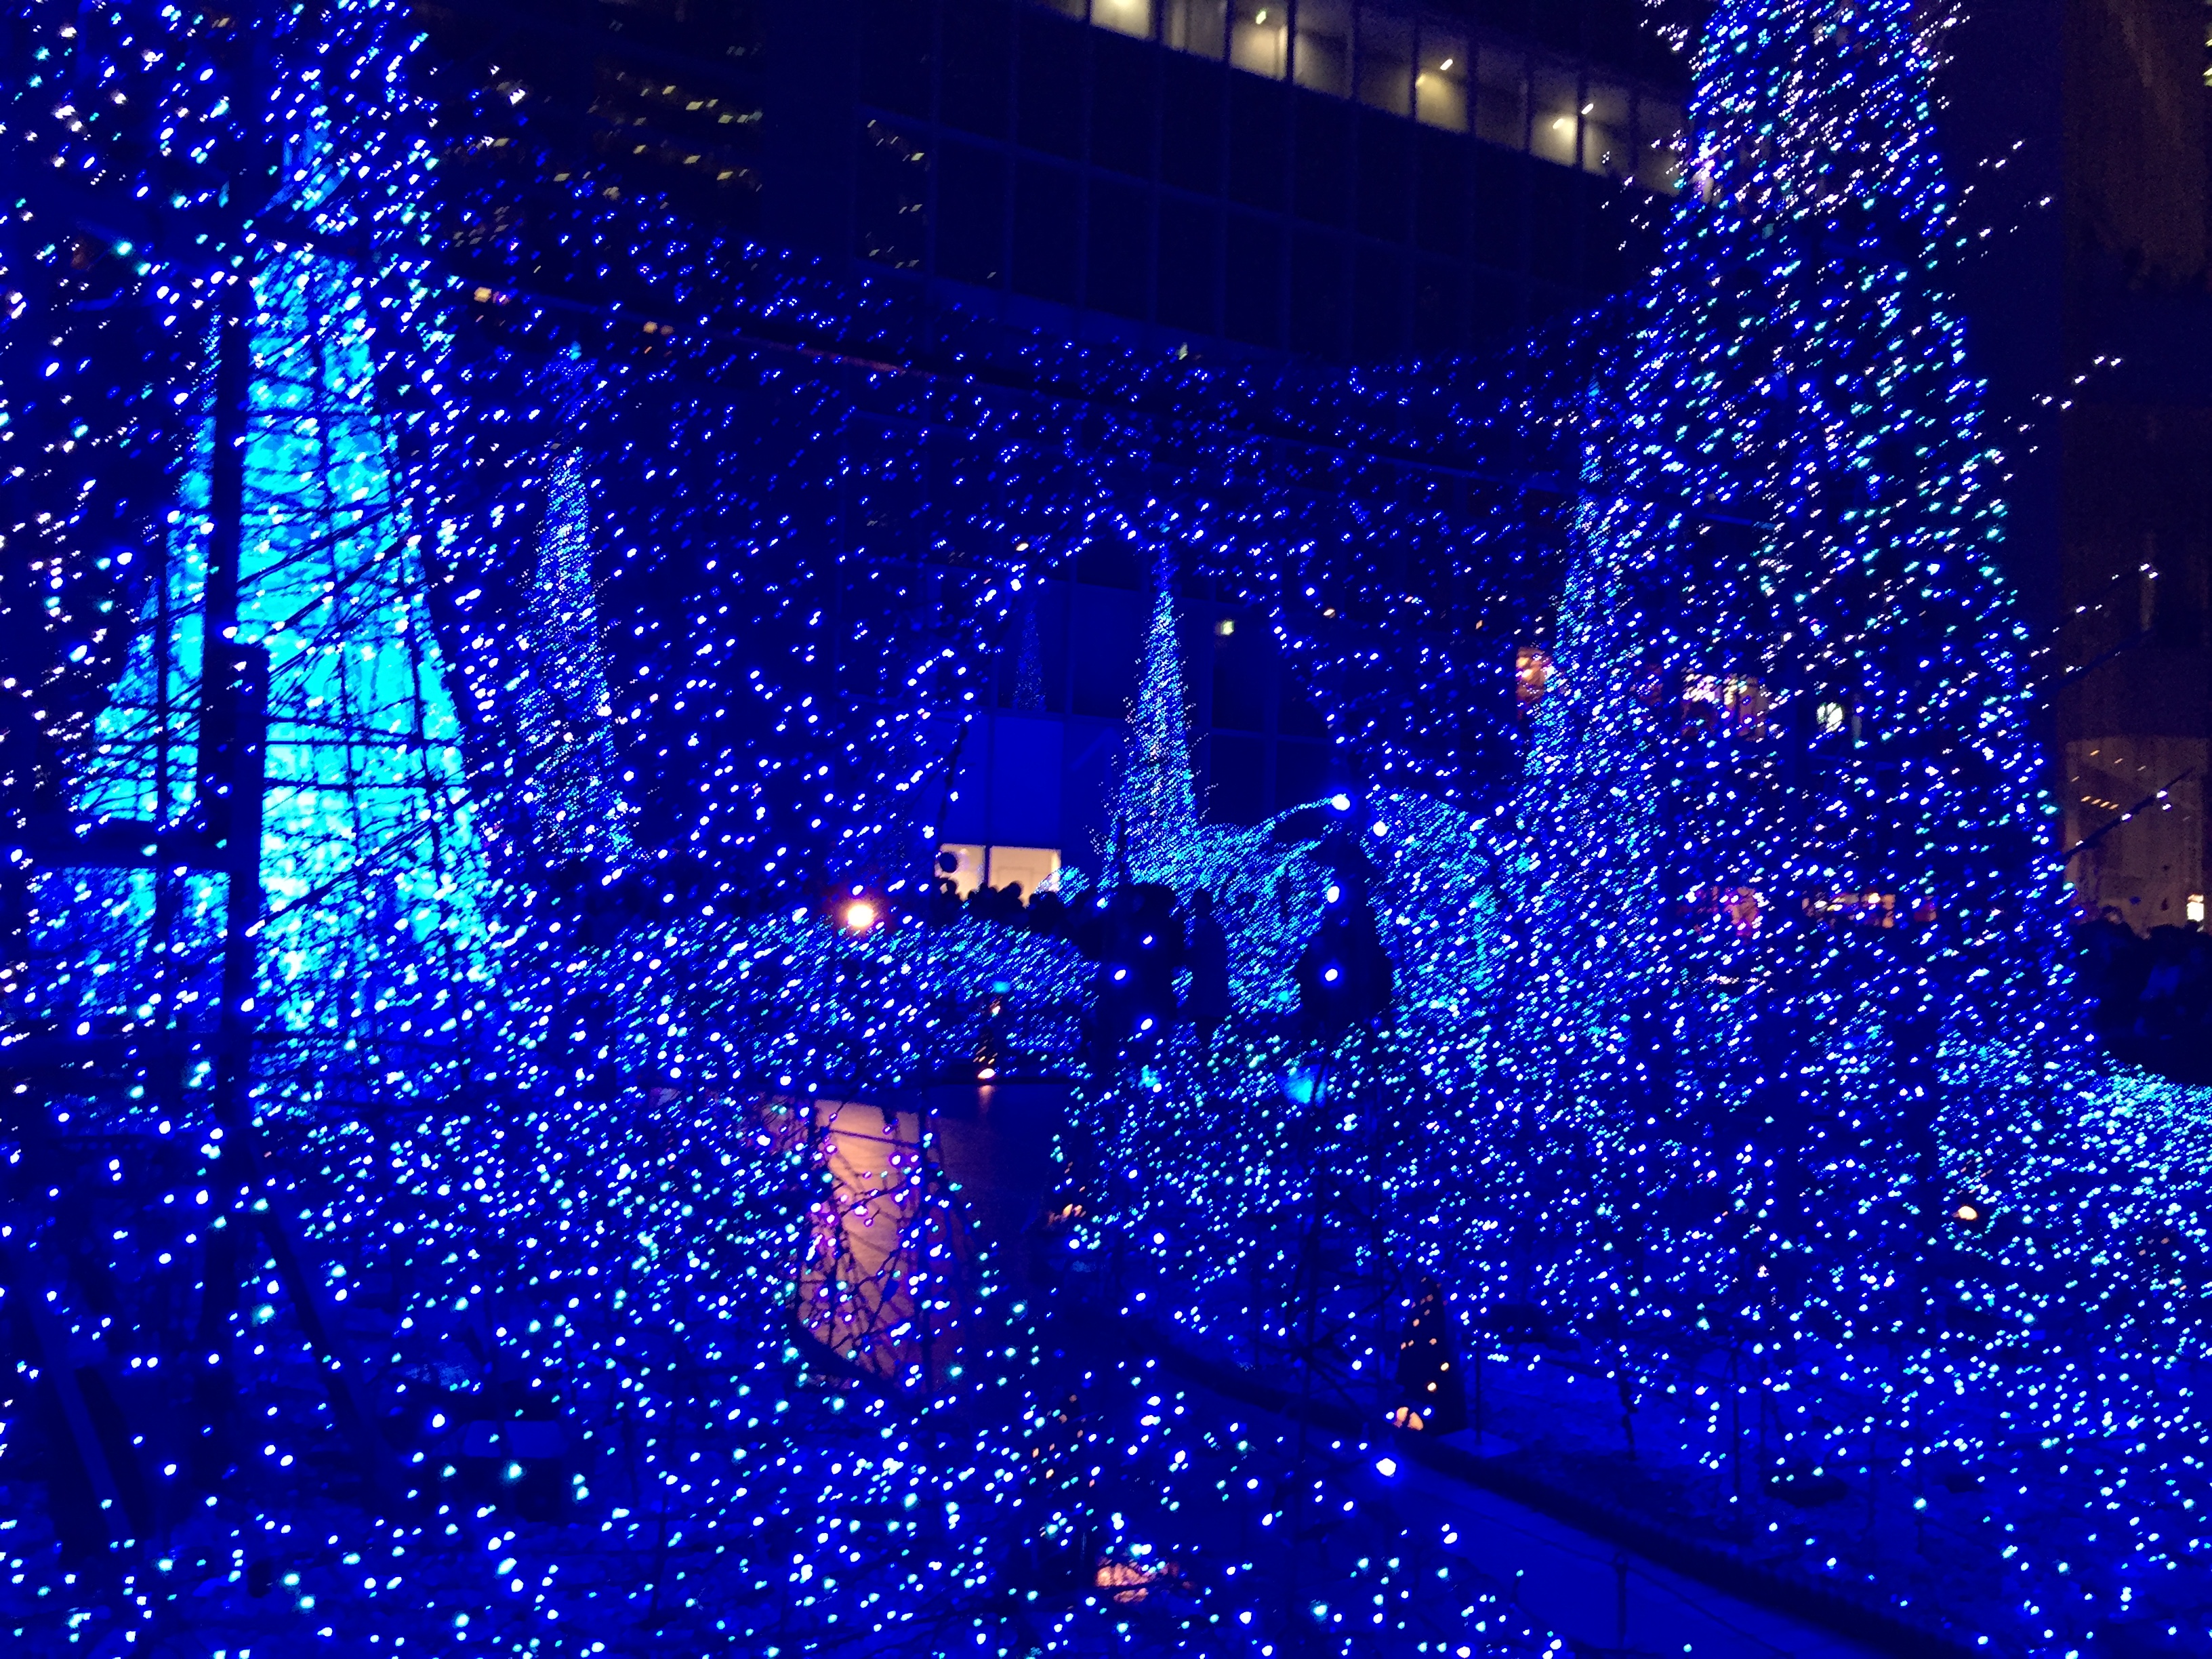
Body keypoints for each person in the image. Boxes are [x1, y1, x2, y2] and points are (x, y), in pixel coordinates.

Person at [1187, 888, 1231, 1053]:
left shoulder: (1214, 929)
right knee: (1203, 1018)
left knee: (1206, 1019)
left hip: (1209, 982)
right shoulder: (1192, 927)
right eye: (1196, 903)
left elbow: (1217, 956)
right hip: (1201, 981)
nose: (1197, 907)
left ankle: (1206, 1048)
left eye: (1201, 903)